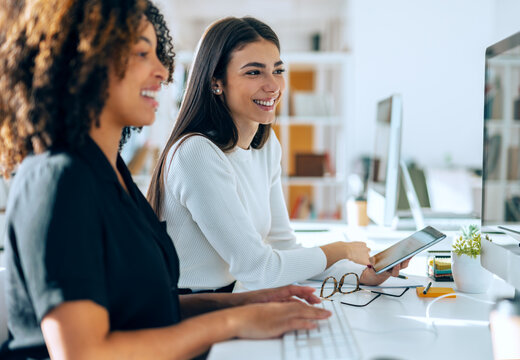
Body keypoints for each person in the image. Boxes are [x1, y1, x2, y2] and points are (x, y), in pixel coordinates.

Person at [0, 2, 331, 359]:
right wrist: (233, 322)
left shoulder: (109, 174)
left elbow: (149, 308)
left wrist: (252, 302)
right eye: (142, 53)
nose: (163, 71)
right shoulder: (59, 180)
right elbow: (85, 353)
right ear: (82, 63)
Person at [147, 16, 409, 293]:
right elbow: (260, 269)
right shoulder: (196, 153)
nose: (273, 86)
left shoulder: (266, 145)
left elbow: (283, 247)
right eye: (254, 72)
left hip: (235, 296)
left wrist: (359, 274)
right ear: (216, 82)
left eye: (278, 70)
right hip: (190, 309)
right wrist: (341, 249)